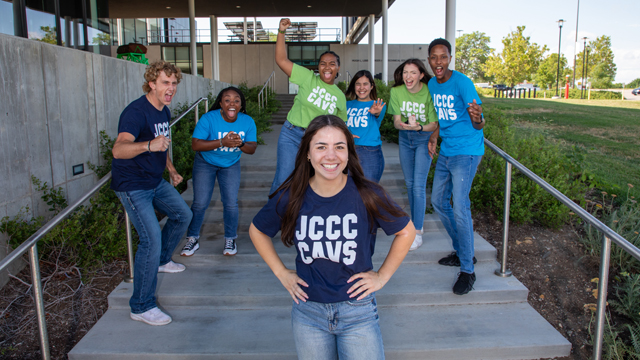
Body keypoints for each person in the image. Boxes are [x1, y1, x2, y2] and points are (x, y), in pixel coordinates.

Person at [250, 116, 415, 360]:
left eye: (339, 147)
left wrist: (382, 276)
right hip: (308, 313)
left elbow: (406, 231)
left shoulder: (368, 194)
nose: (331, 156)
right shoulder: (292, 196)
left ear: (349, 153)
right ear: (307, 153)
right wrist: (282, 273)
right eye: (321, 147)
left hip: (357, 312)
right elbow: (258, 230)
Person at [111, 60, 193, 326]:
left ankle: (160, 260)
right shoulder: (136, 112)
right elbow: (119, 149)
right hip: (133, 185)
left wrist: (170, 168)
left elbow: (163, 143)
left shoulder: (164, 110)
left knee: (183, 214)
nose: (171, 88)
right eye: (165, 83)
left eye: (174, 83)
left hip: (155, 180)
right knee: (150, 237)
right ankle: (142, 306)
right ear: (151, 83)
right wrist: (148, 145)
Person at [426, 38, 485, 296]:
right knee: (439, 201)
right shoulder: (430, 84)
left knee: (460, 206)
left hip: (467, 151)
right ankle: (463, 251)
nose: (438, 62)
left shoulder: (462, 82)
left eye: (443, 57)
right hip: (448, 149)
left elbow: (479, 121)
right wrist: (433, 136)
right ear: (429, 60)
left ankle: (468, 270)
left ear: (450, 58)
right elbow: (441, 116)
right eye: (434, 57)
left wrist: (478, 119)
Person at [269, 18, 348, 195]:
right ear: (318, 67)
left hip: (316, 140)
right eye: (323, 63)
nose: (327, 67)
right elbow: (281, 59)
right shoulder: (307, 77)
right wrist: (281, 31)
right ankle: (273, 220)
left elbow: (340, 124)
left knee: (312, 182)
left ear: (338, 67)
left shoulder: (340, 96)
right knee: (283, 179)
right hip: (291, 134)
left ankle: (301, 218)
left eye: (332, 64)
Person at [180, 87, 257, 257]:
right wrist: (222, 142)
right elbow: (196, 144)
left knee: (230, 202)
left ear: (241, 104)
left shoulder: (247, 121)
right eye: (227, 100)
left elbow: (252, 149)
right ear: (221, 104)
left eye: (236, 100)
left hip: (230, 164)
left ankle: (230, 239)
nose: (232, 103)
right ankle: (192, 238)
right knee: (200, 202)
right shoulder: (209, 118)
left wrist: (240, 144)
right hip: (205, 163)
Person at [388, 59, 438, 252]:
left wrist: (418, 127)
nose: (408, 77)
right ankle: (418, 219)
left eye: (412, 73)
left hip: (423, 138)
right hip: (404, 138)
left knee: (418, 185)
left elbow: (434, 124)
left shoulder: (429, 91)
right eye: (405, 72)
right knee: (409, 184)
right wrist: (403, 125)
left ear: (421, 75)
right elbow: (395, 121)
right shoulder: (396, 92)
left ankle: (417, 231)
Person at [345, 70, 387, 183]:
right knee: (351, 190)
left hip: (370, 152)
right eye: (358, 84)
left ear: (371, 86)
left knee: (369, 191)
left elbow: (378, 113)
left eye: (365, 84)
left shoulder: (378, 105)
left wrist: (376, 112)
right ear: (354, 86)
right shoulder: (347, 105)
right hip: (349, 151)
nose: (361, 87)